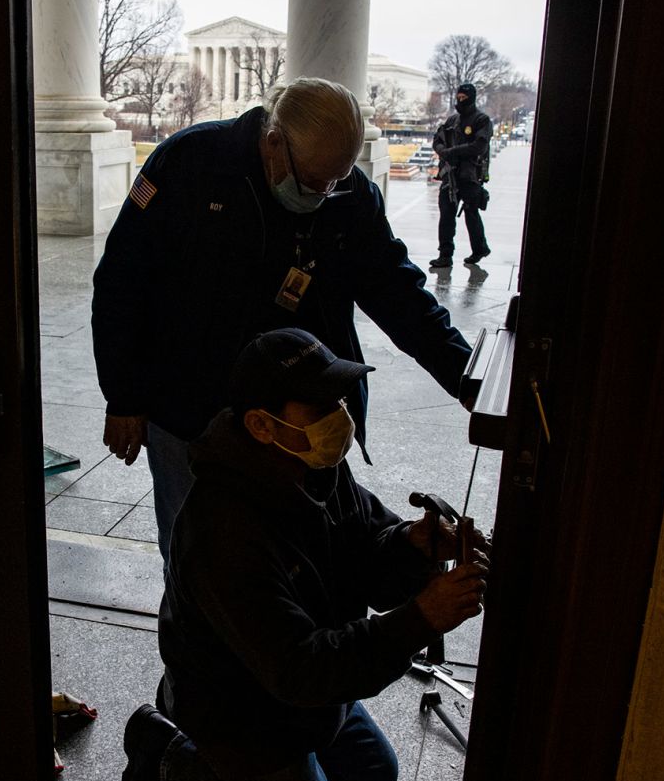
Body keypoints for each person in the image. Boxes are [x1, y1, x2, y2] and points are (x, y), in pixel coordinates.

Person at [120, 328, 489, 781]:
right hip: (244, 716)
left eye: (339, 399)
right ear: (262, 425)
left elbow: (370, 552)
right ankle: (168, 748)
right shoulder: (224, 531)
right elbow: (300, 668)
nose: (338, 416)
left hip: (304, 697)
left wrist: (413, 544)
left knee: (374, 776)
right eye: (318, 406)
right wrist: (421, 619)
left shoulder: (316, 467)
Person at [93, 77, 475, 560]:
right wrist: (123, 396)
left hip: (300, 419)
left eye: (336, 181)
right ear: (274, 142)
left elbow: (399, 293)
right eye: (314, 181)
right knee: (197, 563)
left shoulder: (347, 193)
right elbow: (121, 281)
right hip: (192, 413)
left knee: (304, 561)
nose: (323, 193)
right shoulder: (191, 162)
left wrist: (464, 376)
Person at [430, 83, 492, 268]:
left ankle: (480, 249)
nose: (460, 101)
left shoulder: (482, 120)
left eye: (464, 98)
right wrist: (444, 151)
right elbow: (438, 140)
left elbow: (479, 146)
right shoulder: (452, 120)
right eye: (458, 98)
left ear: (472, 98)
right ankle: (445, 255)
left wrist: (453, 151)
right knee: (446, 215)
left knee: (471, 214)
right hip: (451, 175)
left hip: (470, 175)